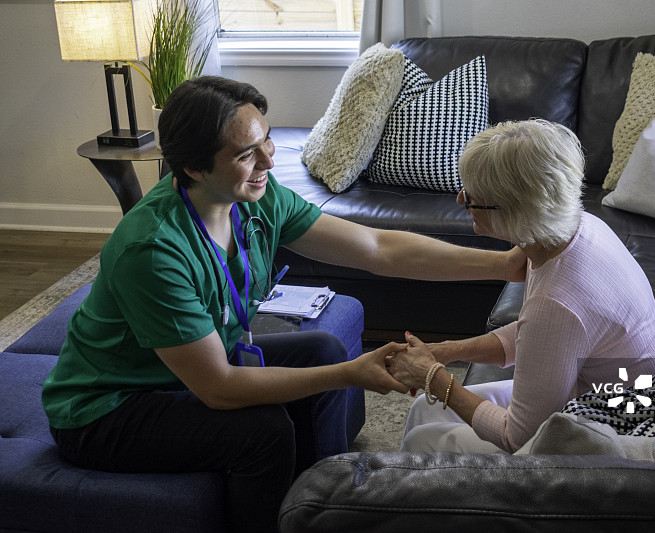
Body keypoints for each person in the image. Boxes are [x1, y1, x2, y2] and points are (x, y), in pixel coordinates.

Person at [40, 77, 527, 533]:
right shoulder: (153, 249)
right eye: (247, 154)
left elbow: (379, 248)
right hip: (109, 407)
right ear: (193, 166)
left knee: (322, 349)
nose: (269, 162)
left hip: (187, 368)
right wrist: (352, 374)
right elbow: (220, 389)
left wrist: (503, 265)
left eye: (266, 140)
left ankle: (325, 502)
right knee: (263, 430)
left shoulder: (257, 198)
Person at [386, 119, 655, 455]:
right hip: (611, 396)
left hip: (617, 437)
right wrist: (446, 352)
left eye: (471, 197)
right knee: (428, 407)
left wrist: (435, 376)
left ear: (515, 213)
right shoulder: (577, 229)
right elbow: (540, 337)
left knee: (424, 439)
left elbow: (519, 438)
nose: (459, 199)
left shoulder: (558, 302)